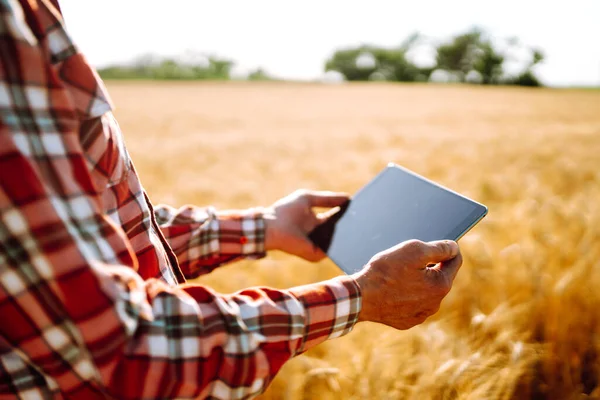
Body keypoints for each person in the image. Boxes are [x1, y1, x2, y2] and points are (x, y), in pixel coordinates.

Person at [0, 1, 464, 399]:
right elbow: (125, 352)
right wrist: (362, 297)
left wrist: (263, 227)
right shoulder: (10, 30)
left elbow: (91, 231)